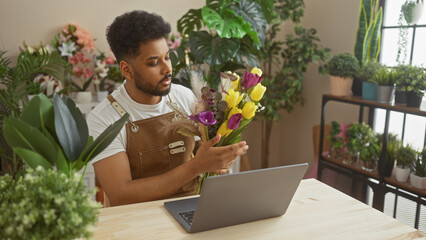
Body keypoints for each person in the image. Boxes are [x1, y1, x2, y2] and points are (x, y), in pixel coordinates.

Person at [87, 10, 249, 207]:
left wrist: (217, 162)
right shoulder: (103, 119)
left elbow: (204, 157)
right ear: (126, 70)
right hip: (135, 223)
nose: (167, 69)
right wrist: (196, 167)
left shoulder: (184, 97)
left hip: (192, 210)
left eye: (167, 57)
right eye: (154, 62)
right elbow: (122, 194)